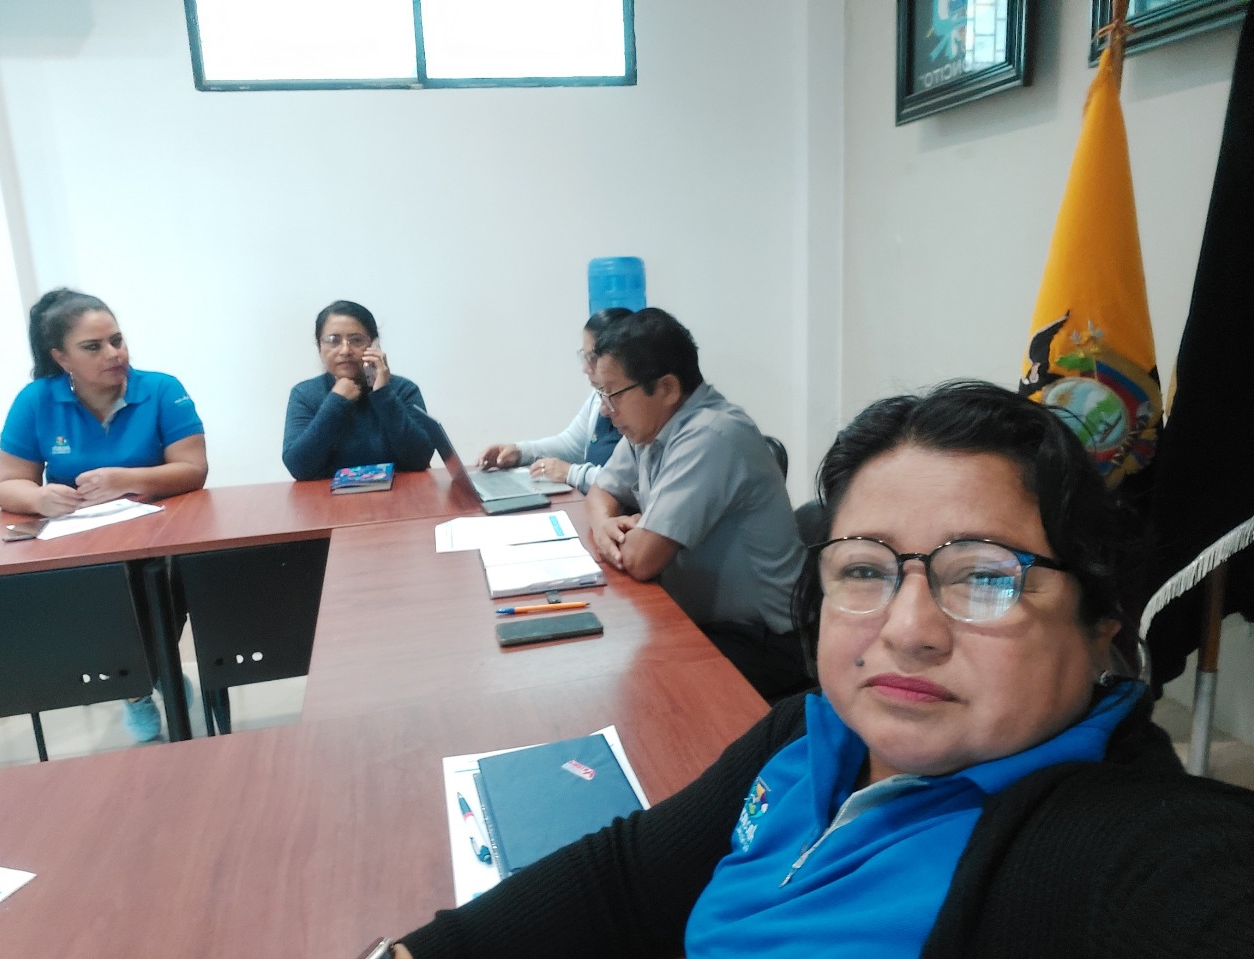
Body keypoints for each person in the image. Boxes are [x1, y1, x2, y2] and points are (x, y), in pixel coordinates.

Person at [387, 381, 1254, 958]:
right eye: (867, 569)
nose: (909, 630)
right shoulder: (809, 737)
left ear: (1102, 620)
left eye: (985, 576)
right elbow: (624, 879)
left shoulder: (1112, 850)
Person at [0, 287, 208, 742]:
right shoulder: (36, 400)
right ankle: (137, 688)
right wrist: (39, 498)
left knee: (167, 590)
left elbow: (193, 469)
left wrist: (126, 479)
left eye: (117, 340)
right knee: (95, 604)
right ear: (61, 358)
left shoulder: (161, 389)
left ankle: (155, 672)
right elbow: (7, 483)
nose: (114, 354)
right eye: (93, 347)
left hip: (160, 533)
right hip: (82, 541)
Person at [585, 308, 810, 700]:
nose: (605, 410)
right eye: (601, 395)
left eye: (613, 394)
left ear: (667, 388)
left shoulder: (711, 435)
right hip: (704, 620)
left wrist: (635, 533)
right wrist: (607, 526)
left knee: (634, 690)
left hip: (765, 641)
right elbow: (599, 493)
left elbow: (642, 559)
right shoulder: (649, 428)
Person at [477, 307, 632, 493]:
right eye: (584, 357)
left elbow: (628, 480)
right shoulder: (597, 399)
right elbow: (570, 445)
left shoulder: (638, 411)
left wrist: (570, 472)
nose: (585, 368)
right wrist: (520, 452)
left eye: (592, 358)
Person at [282, 300, 435, 481]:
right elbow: (298, 467)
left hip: (399, 495)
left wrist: (383, 393)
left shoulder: (403, 389)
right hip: (327, 498)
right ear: (319, 346)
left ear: (374, 345)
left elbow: (420, 458)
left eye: (356, 340)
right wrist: (336, 402)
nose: (345, 350)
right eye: (333, 341)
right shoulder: (304, 394)